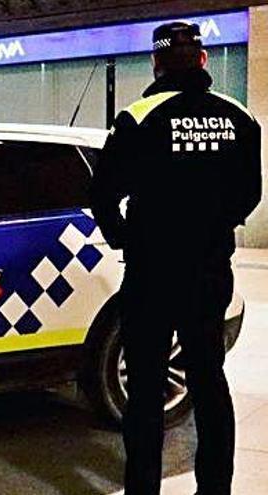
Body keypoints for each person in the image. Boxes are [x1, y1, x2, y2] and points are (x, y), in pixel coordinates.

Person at [91, 21, 262, 495]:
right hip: (209, 272)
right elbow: (249, 195)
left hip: (152, 275)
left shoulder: (138, 117)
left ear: (157, 63)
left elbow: (103, 195)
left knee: (145, 390)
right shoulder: (240, 117)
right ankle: (216, 489)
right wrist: (209, 227)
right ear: (203, 60)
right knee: (208, 380)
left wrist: (128, 239)